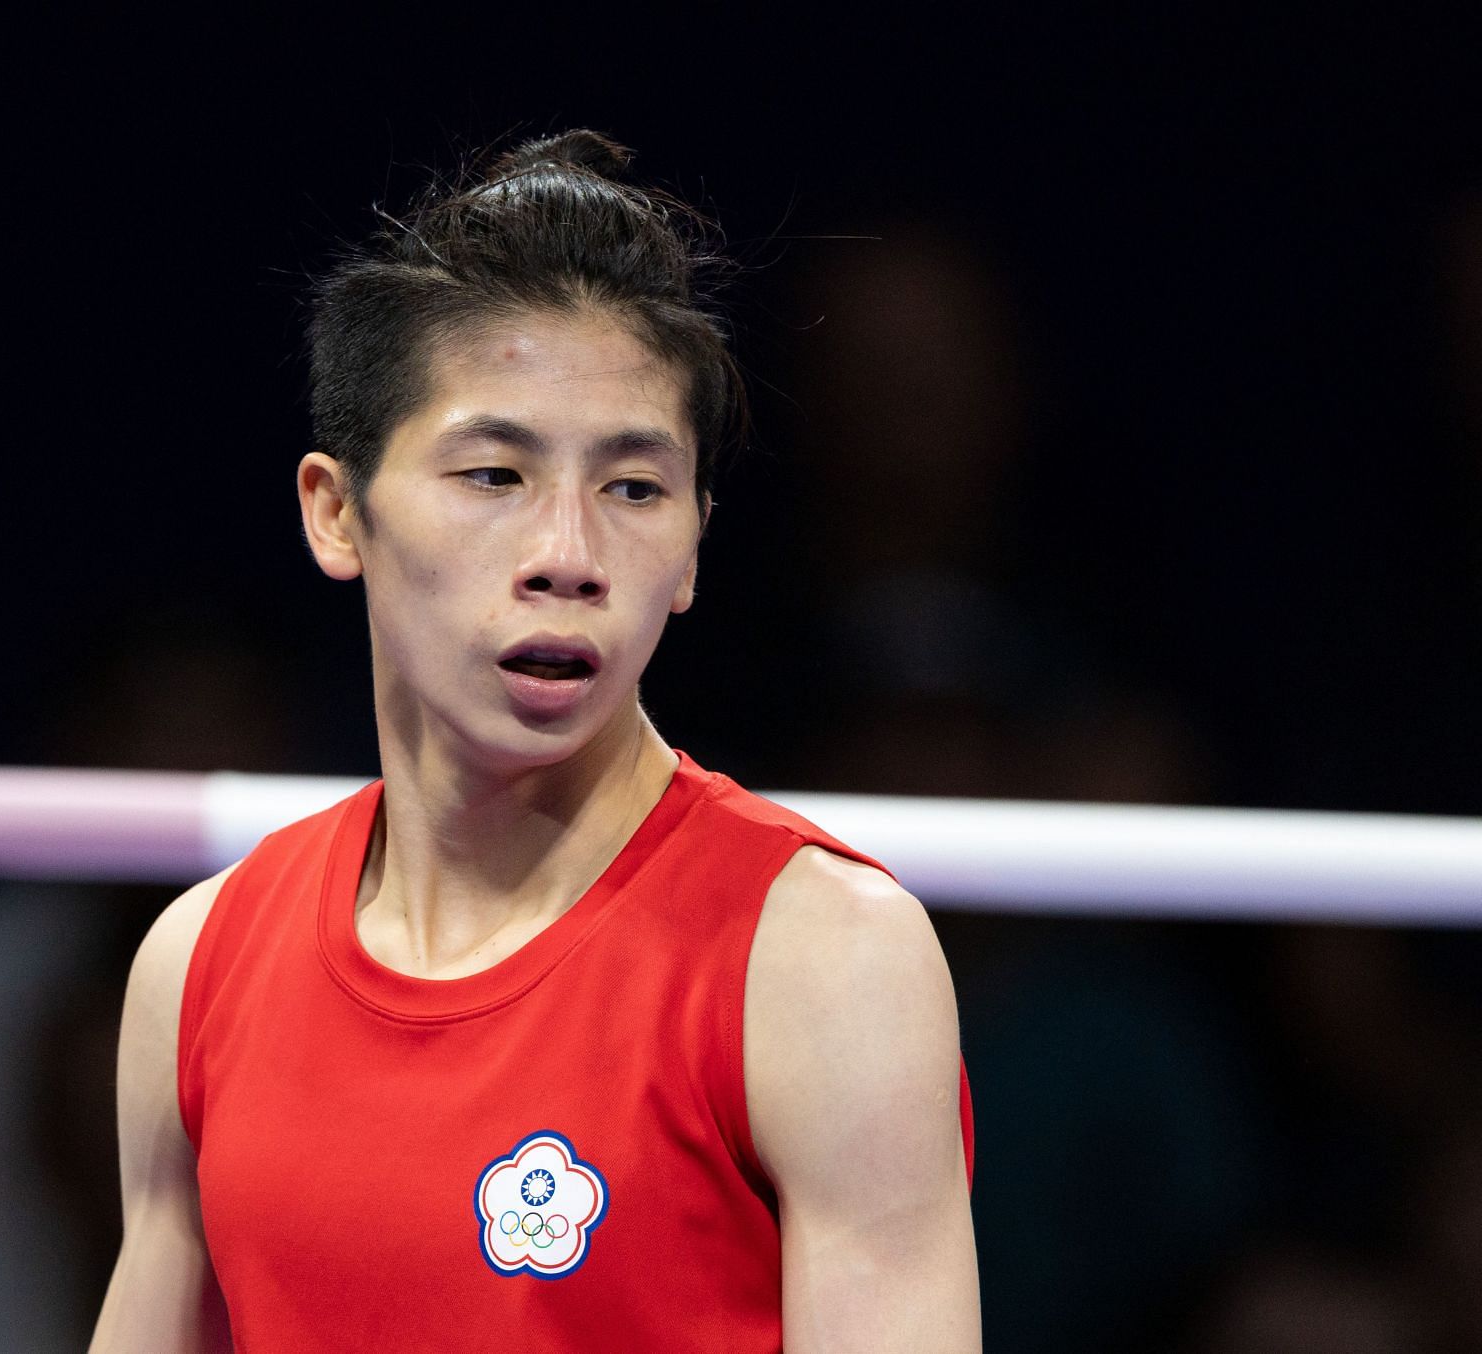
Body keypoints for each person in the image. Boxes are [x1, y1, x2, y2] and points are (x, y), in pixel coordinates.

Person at [88, 129, 979, 1352]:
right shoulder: (196, 965)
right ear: (336, 510)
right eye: (495, 473)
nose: (568, 554)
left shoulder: (822, 962)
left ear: (694, 550)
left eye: (633, 488)